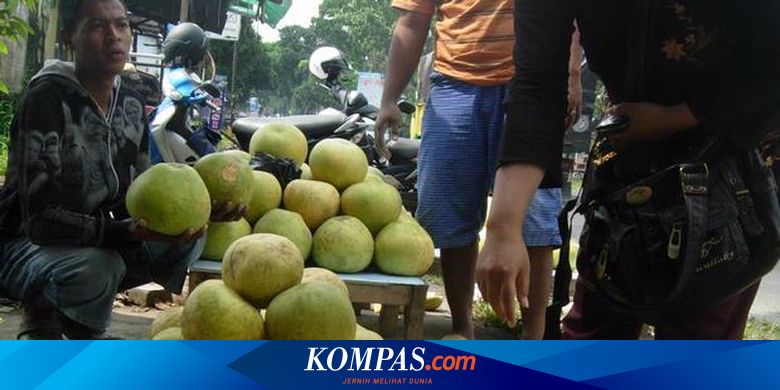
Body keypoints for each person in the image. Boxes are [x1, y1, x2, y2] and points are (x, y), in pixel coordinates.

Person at [477, 0, 780, 339]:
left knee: (699, 341)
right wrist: (504, 225)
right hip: (631, 145)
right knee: (595, 331)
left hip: (734, 146)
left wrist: (674, 118)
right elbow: (538, 88)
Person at [0, 0, 242, 339]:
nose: (114, 36)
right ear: (71, 37)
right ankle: (49, 323)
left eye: (122, 25)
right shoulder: (47, 99)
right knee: (99, 266)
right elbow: (40, 221)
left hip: (88, 241)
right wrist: (124, 232)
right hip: (23, 245)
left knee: (188, 237)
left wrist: (202, 211)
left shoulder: (129, 102)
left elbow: (134, 195)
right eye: (98, 26)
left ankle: (65, 322)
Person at [375, 0, 582, 339]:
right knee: (450, 216)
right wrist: (389, 98)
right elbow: (412, 22)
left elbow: (569, 15)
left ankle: (534, 341)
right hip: (452, 83)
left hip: (531, 84)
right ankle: (462, 329)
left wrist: (571, 74)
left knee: (533, 222)